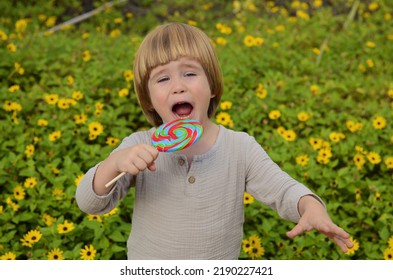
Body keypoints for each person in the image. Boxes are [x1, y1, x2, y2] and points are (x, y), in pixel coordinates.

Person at [75, 22, 353, 259]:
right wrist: (113, 164)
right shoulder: (139, 146)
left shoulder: (239, 148)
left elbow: (282, 189)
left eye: (190, 73)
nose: (178, 86)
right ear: (148, 99)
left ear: (212, 87)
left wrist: (311, 206)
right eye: (162, 79)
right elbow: (90, 203)